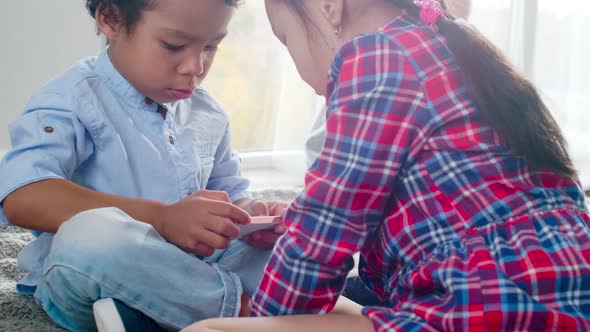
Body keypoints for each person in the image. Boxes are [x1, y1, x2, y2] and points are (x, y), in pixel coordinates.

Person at [184, 0, 590, 331]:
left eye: (286, 39)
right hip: (563, 288)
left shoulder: (375, 56)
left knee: (211, 330)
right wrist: (294, 220)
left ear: (330, 7)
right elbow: (442, 203)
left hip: (488, 301)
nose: (297, 62)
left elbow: (326, 231)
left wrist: (265, 321)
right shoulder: (452, 44)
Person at [0, 0, 287, 331]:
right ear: (111, 19)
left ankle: (171, 313)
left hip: (193, 268)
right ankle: (243, 315)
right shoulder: (69, 100)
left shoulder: (208, 113)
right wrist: (162, 219)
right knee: (89, 235)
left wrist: (252, 215)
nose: (195, 66)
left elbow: (230, 192)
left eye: (210, 47)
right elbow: (24, 197)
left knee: (289, 245)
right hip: (97, 274)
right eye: (174, 45)